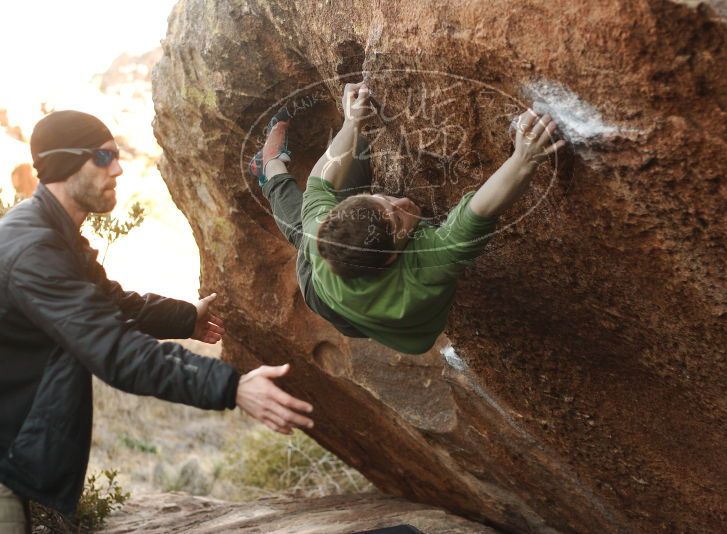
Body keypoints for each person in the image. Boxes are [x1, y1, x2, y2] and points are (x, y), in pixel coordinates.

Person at [0, 110, 315, 533]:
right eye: (102, 156)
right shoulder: (34, 250)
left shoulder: (52, 233)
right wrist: (232, 387)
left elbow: (113, 303)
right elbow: (114, 351)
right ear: (63, 163)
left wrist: (186, 318)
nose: (118, 168)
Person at [252, 82, 564, 355]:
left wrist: (352, 122)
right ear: (390, 259)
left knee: (347, 162)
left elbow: (322, 181)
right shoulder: (424, 269)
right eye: (399, 220)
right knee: (302, 235)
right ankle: (269, 168)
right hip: (328, 301)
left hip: (338, 274)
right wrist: (524, 158)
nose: (404, 202)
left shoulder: (319, 223)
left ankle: (269, 168)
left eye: (384, 200)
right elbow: (479, 211)